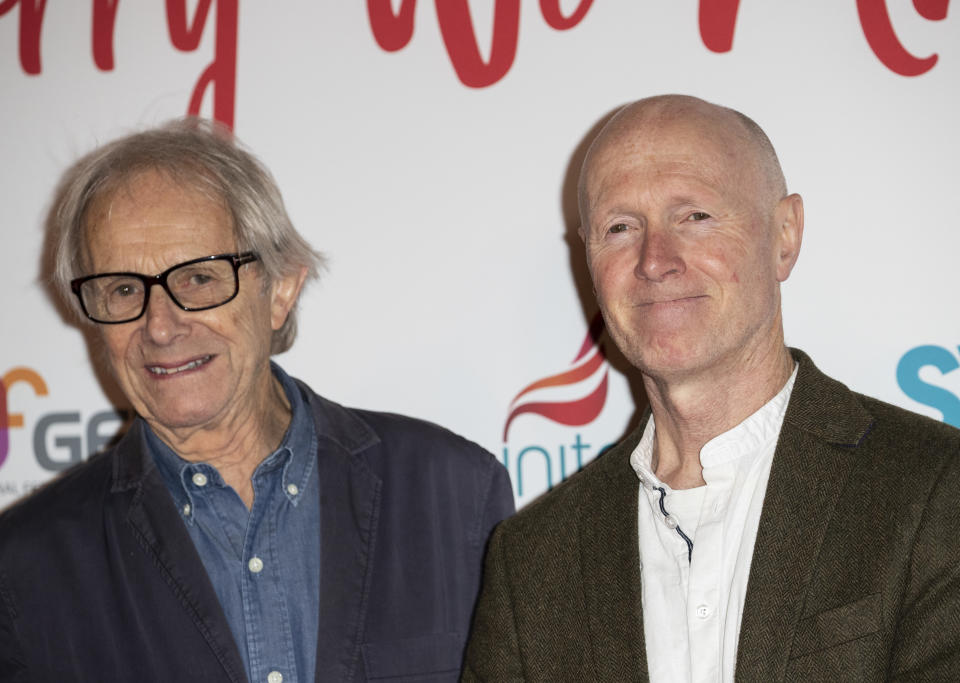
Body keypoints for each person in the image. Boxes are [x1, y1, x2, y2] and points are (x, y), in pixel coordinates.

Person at [462, 95, 960, 681]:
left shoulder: (935, 488)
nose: (655, 260)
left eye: (694, 216)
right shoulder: (531, 561)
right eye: (620, 227)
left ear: (785, 234)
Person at [0, 118, 514, 683]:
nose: (161, 327)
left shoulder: (453, 494)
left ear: (281, 290)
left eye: (198, 278)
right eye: (123, 289)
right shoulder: (26, 570)